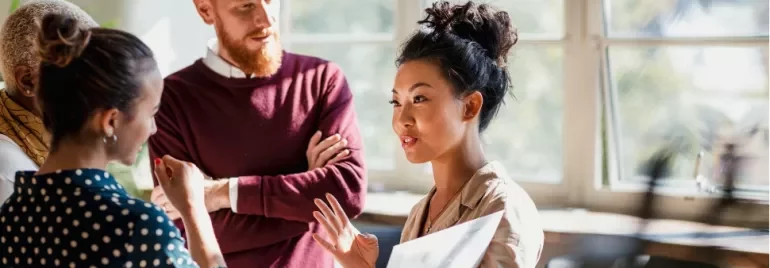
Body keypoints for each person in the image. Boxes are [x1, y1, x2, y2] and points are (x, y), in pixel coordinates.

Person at [312, 1, 544, 268]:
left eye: (419, 98)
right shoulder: (419, 214)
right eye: (396, 102)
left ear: (470, 106)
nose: (401, 120)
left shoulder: (503, 209)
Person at [147, 0, 367, 267]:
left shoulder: (321, 79)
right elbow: (184, 229)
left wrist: (221, 193)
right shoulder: (170, 99)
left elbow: (347, 192)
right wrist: (305, 198)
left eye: (271, 1)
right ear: (206, 10)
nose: (266, 18)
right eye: (246, 5)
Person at [0, 13, 227, 268]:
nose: (153, 129)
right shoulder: (136, 227)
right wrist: (193, 207)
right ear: (110, 121)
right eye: (151, 114)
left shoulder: (11, 214)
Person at [0, 0, 98, 204]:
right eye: (82, 72)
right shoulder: (8, 171)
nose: (97, 87)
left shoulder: (49, 143)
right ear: (28, 81)